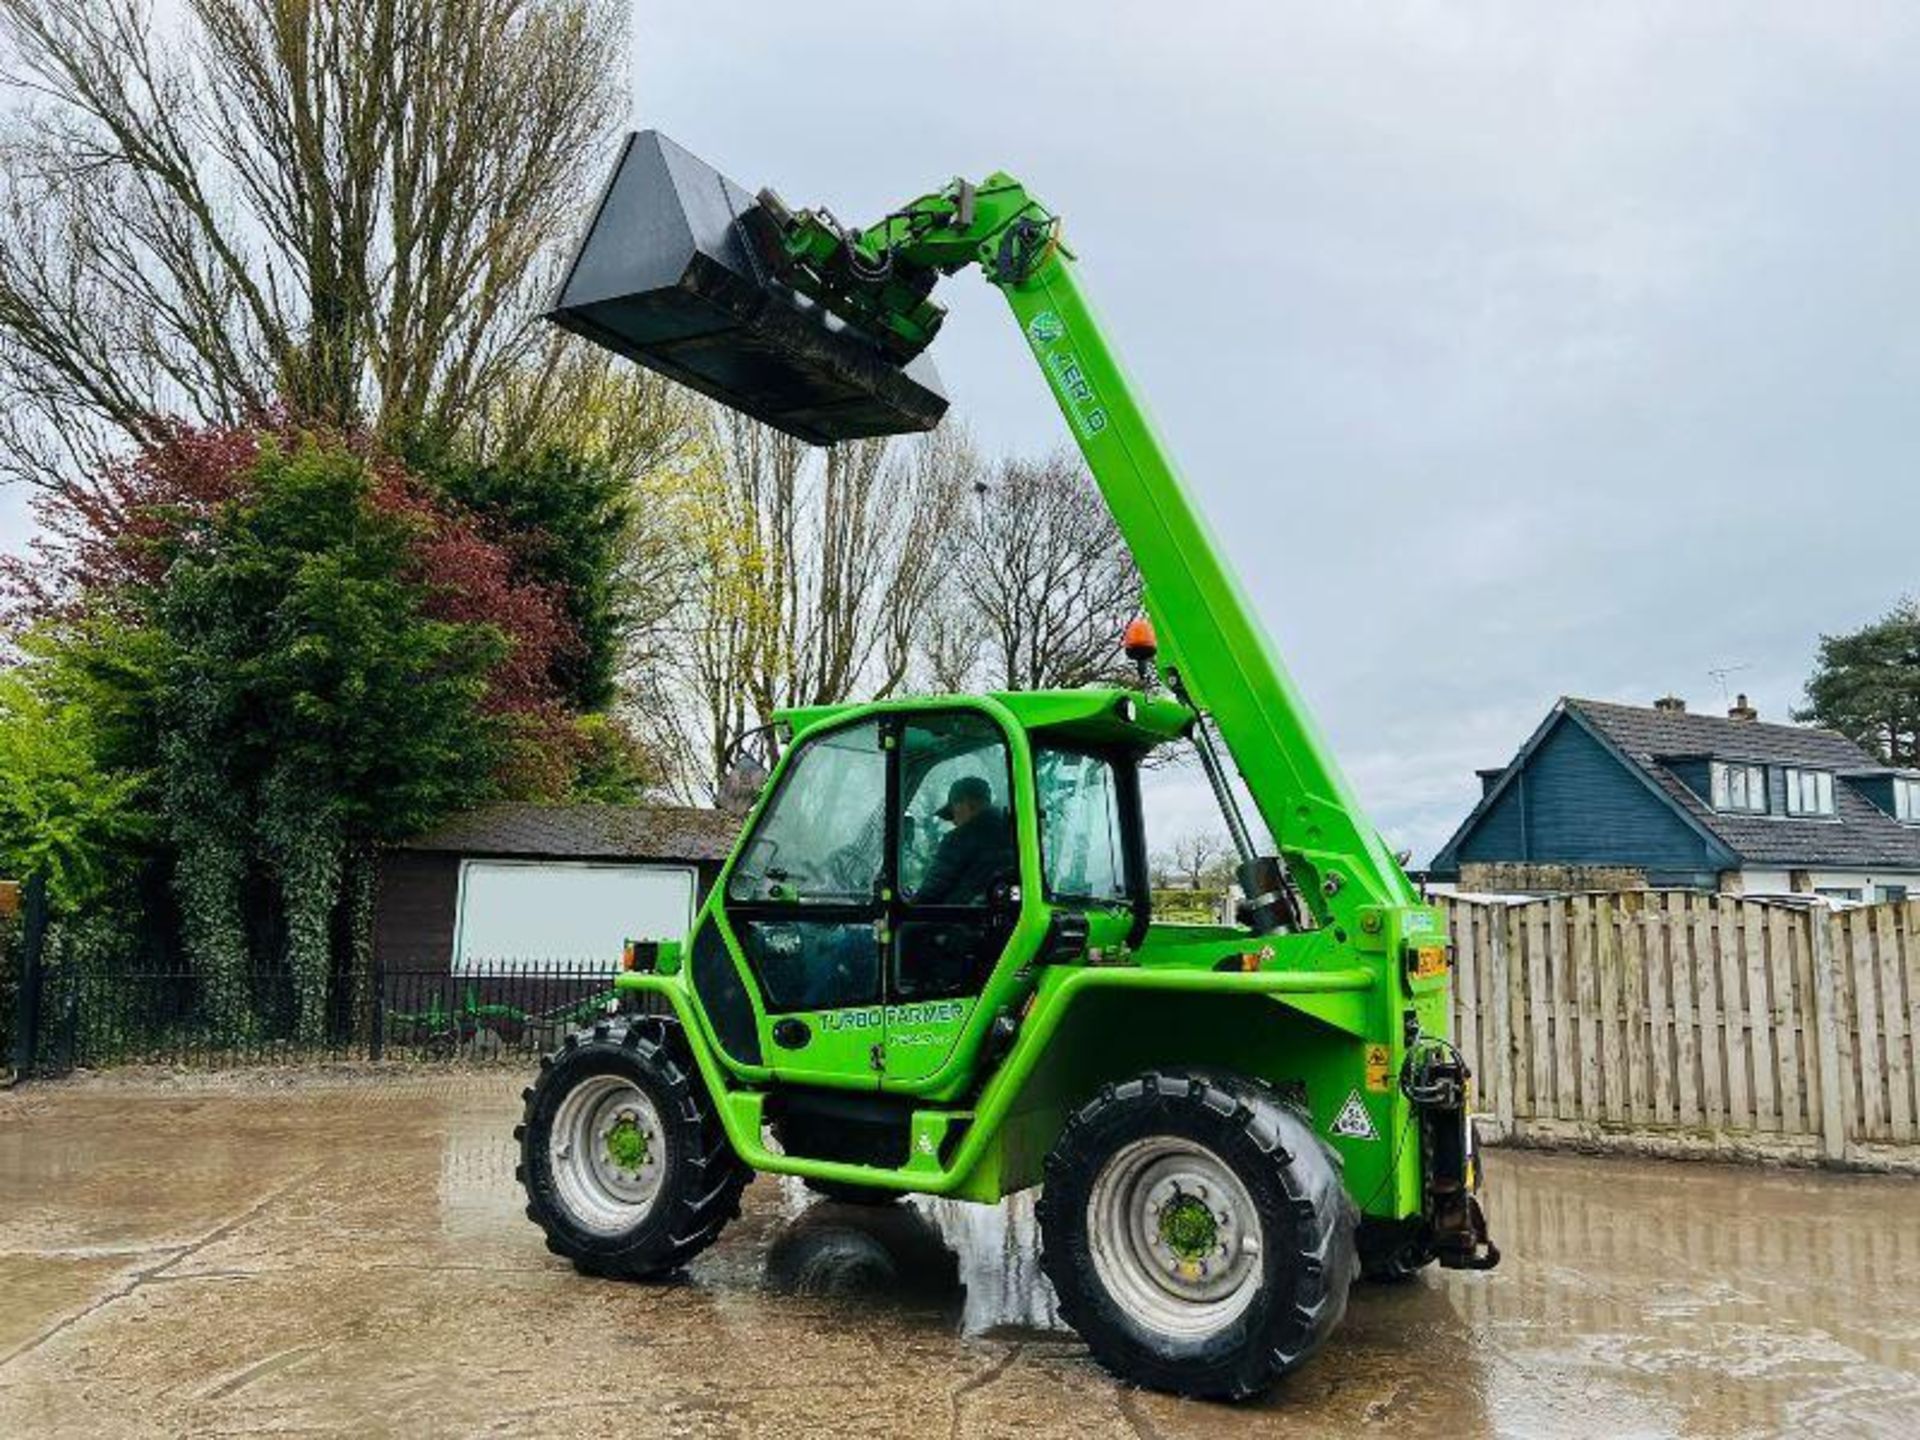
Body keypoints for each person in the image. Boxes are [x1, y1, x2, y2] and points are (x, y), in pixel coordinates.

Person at [914, 774, 1015, 904]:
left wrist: (904, 909)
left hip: (962, 919)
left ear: (968, 804)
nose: (954, 823)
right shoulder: (1013, 836)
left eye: (953, 814)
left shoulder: (959, 840)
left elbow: (931, 892)